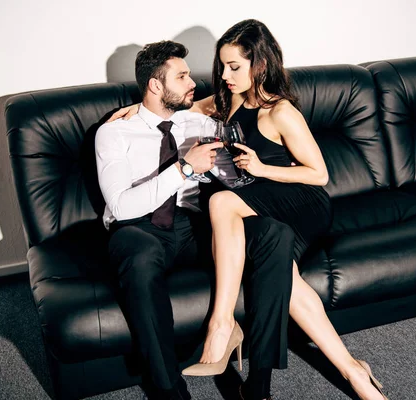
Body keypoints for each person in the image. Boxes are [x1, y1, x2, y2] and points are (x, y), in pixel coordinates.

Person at [109, 21, 388, 400]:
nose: (224, 76)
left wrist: (261, 169)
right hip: (254, 201)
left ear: (259, 64)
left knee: (220, 201)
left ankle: (221, 325)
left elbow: (319, 174)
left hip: (299, 200)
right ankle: (354, 372)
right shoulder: (224, 100)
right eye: (222, 66)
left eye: (234, 67)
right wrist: (131, 107)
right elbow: (171, 109)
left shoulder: (281, 110)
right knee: (288, 283)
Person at [96, 40, 296, 400]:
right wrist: (185, 167)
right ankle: (170, 391)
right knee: (139, 257)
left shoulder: (200, 122)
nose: (193, 82)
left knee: (274, 234)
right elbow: (122, 205)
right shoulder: (114, 133)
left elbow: (241, 117)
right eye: (183, 76)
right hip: (138, 230)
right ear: (156, 86)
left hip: (192, 227)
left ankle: (259, 385)